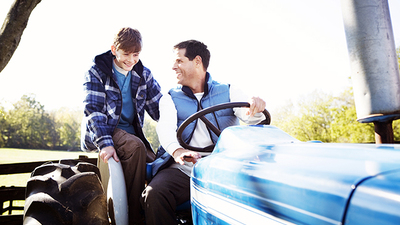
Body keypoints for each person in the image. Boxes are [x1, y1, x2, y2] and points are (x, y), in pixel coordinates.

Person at [141, 40, 267, 224]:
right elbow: (165, 129)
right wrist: (178, 151)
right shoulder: (170, 98)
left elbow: (252, 118)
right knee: (154, 194)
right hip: (184, 170)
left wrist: (257, 108)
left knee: (257, 190)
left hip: (223, 168)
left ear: (197, 61)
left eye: (179, 61)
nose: (173, 67)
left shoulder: (229, 91)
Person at [81, 27, 162, 225]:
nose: (131, 60)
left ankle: (154, 210)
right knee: (135, 147)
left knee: (160, 163)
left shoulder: (143, 74)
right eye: (126, 54)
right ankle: (132, 217)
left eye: (136, 55)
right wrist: (105, 143)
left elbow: (160, 107)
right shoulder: (97, 72)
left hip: (132, 134)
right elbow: (93, 110)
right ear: (114, 50)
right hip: (106, 130)